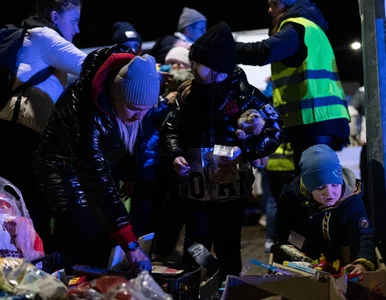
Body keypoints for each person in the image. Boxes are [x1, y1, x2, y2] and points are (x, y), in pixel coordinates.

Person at [160, 21, 283, 281]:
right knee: (195, 246)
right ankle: (194, 290)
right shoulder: (188, 95)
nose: (192, 68)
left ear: (216, 66)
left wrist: (245, 150)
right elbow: (169, 129)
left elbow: (275, 130)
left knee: (228, 246)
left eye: (197, 63)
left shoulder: (247, 96)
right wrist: (175, 154)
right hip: (194, 187)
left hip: (232, 187)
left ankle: (230, 288)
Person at [33, 46, 160, 271]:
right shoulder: (82, 109)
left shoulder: (131, 105)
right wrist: (131, 244)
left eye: (146, 110)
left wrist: (130, 174)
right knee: (82, 233)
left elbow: (131, 140)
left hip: (95, 169)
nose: (139, 116)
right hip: (61, 169)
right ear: (114, 95)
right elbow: (95, 175)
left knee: (102, 235)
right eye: (133, 108)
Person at [0, 0, 86, 251]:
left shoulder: (31, 37)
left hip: (13, 132)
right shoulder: (44, 36)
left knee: (22, 204)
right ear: (55, 16)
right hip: (24, 135)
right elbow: (91, 65)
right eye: (75, 20)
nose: (78, 30)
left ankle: (26, 263)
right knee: (31, 205)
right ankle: (35, 267)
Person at [235, 0, 351, 170]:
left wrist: (224, 48)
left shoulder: (296, 27)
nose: (269, 10)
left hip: (314, 122)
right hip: (319, 121)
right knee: (316, 186)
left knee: (316, 187)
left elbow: (263, 52)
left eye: (274, 3)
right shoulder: (309, 27)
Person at [276, 144, 376, 274]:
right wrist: (302, 257)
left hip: (346, 260)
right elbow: (285, 232)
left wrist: (362, 263)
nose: (329, 193)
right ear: (309, 187)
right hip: (308, 260)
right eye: (320, 187)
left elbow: (364, 236)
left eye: (334, 184)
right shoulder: (292, 198)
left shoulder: (352, 200)